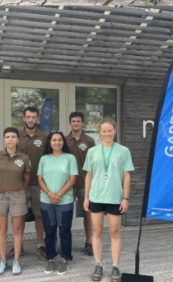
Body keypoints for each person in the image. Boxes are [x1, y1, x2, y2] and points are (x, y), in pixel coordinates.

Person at [83, 117, 134, 282]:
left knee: (114, 232)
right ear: (99, 132)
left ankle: (115, 267)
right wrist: (86, 197)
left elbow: (126, 176)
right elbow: (88, 175)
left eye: (109, 131)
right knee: (97, 231)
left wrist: (125, 198)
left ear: (115, 131)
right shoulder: (92, 151)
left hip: (114, 197)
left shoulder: (123, 151)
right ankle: (98, 265)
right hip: (96, 196)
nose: (107, 134)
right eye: (104, 131)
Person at [0, 127, 32, 275]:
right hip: (0, 195)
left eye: (13, 137)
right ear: (4, 139)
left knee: (17, 230)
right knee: (2, 230)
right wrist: (0, 188)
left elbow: (26, 179)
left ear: (18, 139)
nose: (10, 139)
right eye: (7, 137)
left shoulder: (24, 158)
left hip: (18, 195)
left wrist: (17, 188)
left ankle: (16, 261)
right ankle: (3, 261)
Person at [39, 131, 79, 274]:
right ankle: (50, 258)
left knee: (64, 232)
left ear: (63, 142)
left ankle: (64, 259)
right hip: (46, 201)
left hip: (65, 201)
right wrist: (49, 194)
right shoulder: (44, 159)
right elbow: (40, 179)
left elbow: (73, 179)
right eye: (54, 140)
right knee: (49, 231)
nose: (57, 142)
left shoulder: (70, 158)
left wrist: (59, 195)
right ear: (49, 142)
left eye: (60, 140)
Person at [16, 105, 50, 260]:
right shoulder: (16, 136)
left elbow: (51, 159)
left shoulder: (45, 136)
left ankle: (40, 245)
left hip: (39, 183)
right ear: (24, 118)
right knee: (19, 215)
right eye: (28, 117)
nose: (30, 120)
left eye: (33, 117)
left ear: (37, 119)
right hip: (20, 184)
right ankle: (19, 245)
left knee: (39, 215)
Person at [65, 111, 96, 256]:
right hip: (68, 184)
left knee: (87, 213)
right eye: (73, 121)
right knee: (66, 214)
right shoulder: (64, 140)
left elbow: (94, 163)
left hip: (85, 183)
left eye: (78, 121)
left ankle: (88, 241)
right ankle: (66, 241)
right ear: (70, 123)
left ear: (82, 123)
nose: (76, 123)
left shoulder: (89, 141)